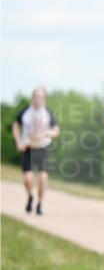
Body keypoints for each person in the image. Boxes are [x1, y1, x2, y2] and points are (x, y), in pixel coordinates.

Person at [12, 87, 60, 216]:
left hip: (43, 147)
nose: (38, 99)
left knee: (43, 177)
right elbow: (16, 125)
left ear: (44, 98)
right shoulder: (26, 112)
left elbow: (56, 131)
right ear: (33, 97)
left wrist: (46, 133)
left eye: (41, 96)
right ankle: (30, 197)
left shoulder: (48, 113)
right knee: (28, 178)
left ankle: (40, 204)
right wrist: (18, 142)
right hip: (28, 147)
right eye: (36, 96)